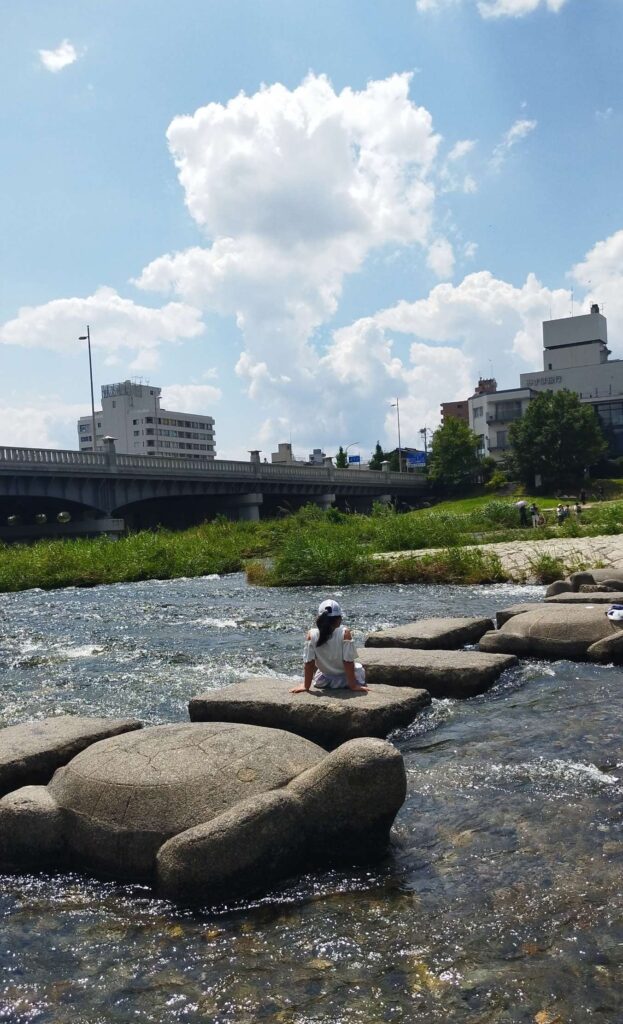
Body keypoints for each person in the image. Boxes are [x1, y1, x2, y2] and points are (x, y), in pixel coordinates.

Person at [290, 598, 368, 694]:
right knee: (359, 668)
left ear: (319, 618)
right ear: (339, 619)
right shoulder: (345, 633)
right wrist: (353, 685)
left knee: (319, 671)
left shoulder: (311, 634)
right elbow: (348, 662)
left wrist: (306, 686)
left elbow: (309, 663)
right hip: (346, 681)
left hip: (324, 681)